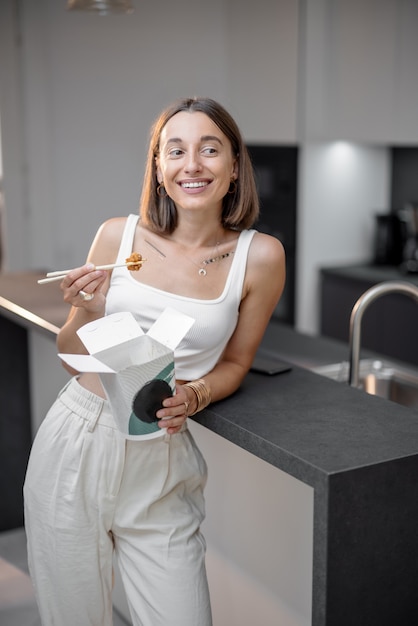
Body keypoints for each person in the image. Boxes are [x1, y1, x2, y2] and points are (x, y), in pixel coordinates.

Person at [23, 96, 285, 626]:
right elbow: (74, 357)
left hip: (163, 458)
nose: (193, 164)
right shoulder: (119, 237)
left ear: (234, 167)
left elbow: (236, 363)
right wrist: (87, 310)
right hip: (77, 440)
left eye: (209, 149)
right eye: (176, 151)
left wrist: (195, 394)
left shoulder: (261, 257)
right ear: (159, 169)